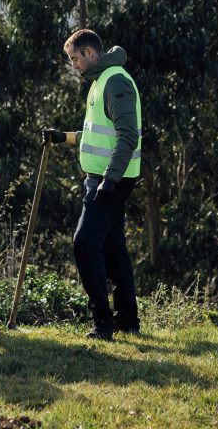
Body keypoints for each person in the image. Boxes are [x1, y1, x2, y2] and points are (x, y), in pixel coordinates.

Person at [43, 29, 142, 341]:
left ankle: (103, 323)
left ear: (89, 53)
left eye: (74, 59)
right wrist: (64, 137)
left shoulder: (114, 80)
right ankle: (127, 320)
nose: (73, 66)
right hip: (100, 178)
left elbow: (128, 135)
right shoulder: (99, 82)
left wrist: (110, 180)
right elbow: (97, 133)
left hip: (110, 180)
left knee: (84, 244)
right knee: (113, 247)